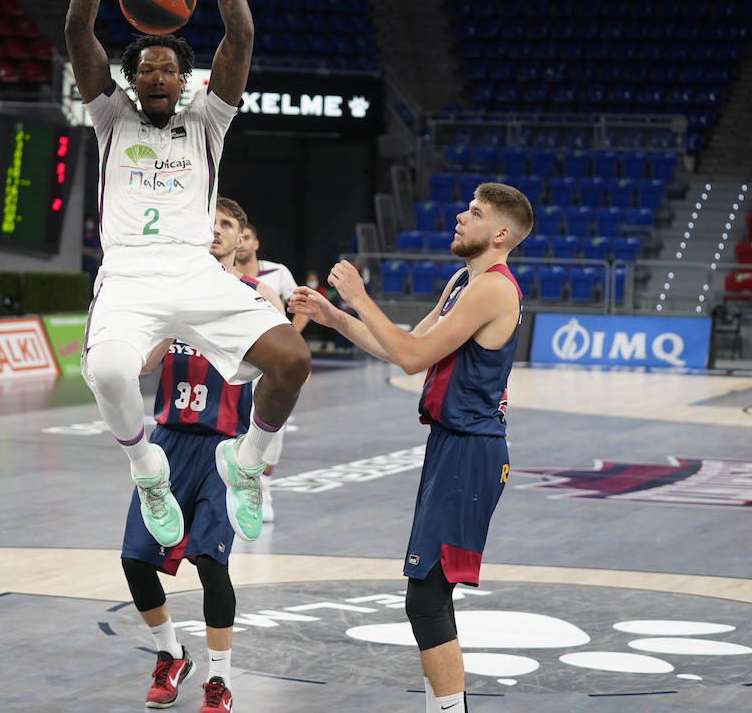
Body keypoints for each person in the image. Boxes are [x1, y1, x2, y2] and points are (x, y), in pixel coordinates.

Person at [65, 0, 310, 548]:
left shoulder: (207, 121)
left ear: (184, 79)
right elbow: (76, 29)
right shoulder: (110, 116)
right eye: (144, 68)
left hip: (195, 270)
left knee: (292, 360)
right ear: (130, 78)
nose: (155, 76)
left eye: (167, 69)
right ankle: (148, 471)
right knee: (113, 375)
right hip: (127, 274)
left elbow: (242, 33)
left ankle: (249, 460)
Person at [288, 183, 533, 713]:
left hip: (472, 450)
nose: (459, 217)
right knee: (427, 595)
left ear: (500, 234)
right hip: (450, 447)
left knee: (425, 598)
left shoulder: (494, 289)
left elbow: (413, 358)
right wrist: (334, 318)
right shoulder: (460, 282)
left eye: (474, 213)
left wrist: (357, 296)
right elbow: (395, 343)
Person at [123, 197, 279, 712]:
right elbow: (144, 366)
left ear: (242, 240)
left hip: (222, 449)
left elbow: (284, 373)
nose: (215, 232)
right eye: (207, 225)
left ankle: (219, 680)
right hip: (167, 441)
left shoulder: (257, 297)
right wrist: (168, 323)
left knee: (212, 565)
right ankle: (171, 655)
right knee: (135, 560)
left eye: (226, 226)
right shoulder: (170, 296)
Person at [232, 221, 298, 523]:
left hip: (269, 358)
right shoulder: (222, 276)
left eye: (247, 237)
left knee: (273, 422)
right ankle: (236, 485)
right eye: (239, 237)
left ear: (256, 243)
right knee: (234, 422)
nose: (242, 242)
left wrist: (291, 346)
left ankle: (264, 488)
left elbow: (300, 306)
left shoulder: (278, 273)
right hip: (235, 357)